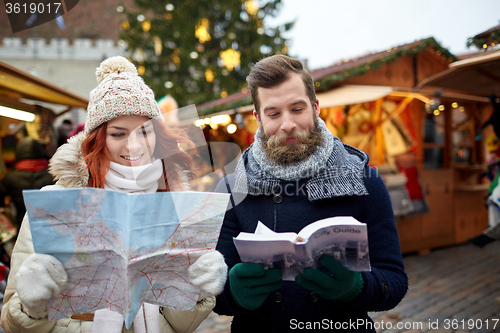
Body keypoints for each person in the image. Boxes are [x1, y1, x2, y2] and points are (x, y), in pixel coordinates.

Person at [1, 56, 227, 333]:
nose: (134, 145)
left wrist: (197, 290)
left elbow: (175, 326)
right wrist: (32, 305)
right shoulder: (56, 205)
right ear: (98, 139)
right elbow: (12, 324)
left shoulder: (175, 203)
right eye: (118, 134)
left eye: (144, 131)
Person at [214, 55, 408, 332]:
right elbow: (213, 293)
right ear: (257, 118)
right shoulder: (233, 188)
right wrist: (234, 293)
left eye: (297, 109)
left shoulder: (364, 180)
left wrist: (355, 287)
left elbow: (395, 282)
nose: (288, 124)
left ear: (315, 107)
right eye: (273, 114)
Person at [0, 137, 55, 230]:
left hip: (22, 226)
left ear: (19, 153)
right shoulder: (53, 176)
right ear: (41, 152)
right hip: (50, 227)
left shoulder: (10, 178)